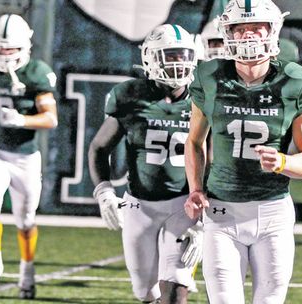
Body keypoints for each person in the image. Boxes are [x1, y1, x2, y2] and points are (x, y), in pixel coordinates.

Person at [183, 0, 302, 303]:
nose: (248, 37)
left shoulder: (295, 81)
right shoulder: (209, 77)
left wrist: (283, 161)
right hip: (222, 212)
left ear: (273, 31)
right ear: (227, 33)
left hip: (272, 212)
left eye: (256, 28)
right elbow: (194, 141)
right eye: (239, 29)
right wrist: (195, 189)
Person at [88, 24, 202, 304]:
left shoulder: (203, 97)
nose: (179, 63)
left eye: (184, 55)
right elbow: (100, 147)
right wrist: (104, 192)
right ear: (151, 58)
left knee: (176, 288)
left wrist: (203, 219)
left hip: (183, 203)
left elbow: (215, 158)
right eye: (171, 56)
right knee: (145, 292)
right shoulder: (130, 95)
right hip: (140, 205)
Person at [0, 14, 58, 299]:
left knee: (25, 220)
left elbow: (50, 119)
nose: (6, 55)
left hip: (25, 157)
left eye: (11, 49)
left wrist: (22, 120)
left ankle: (27, 273)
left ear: (24, 47)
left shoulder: (37, 72)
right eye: (1, 49)